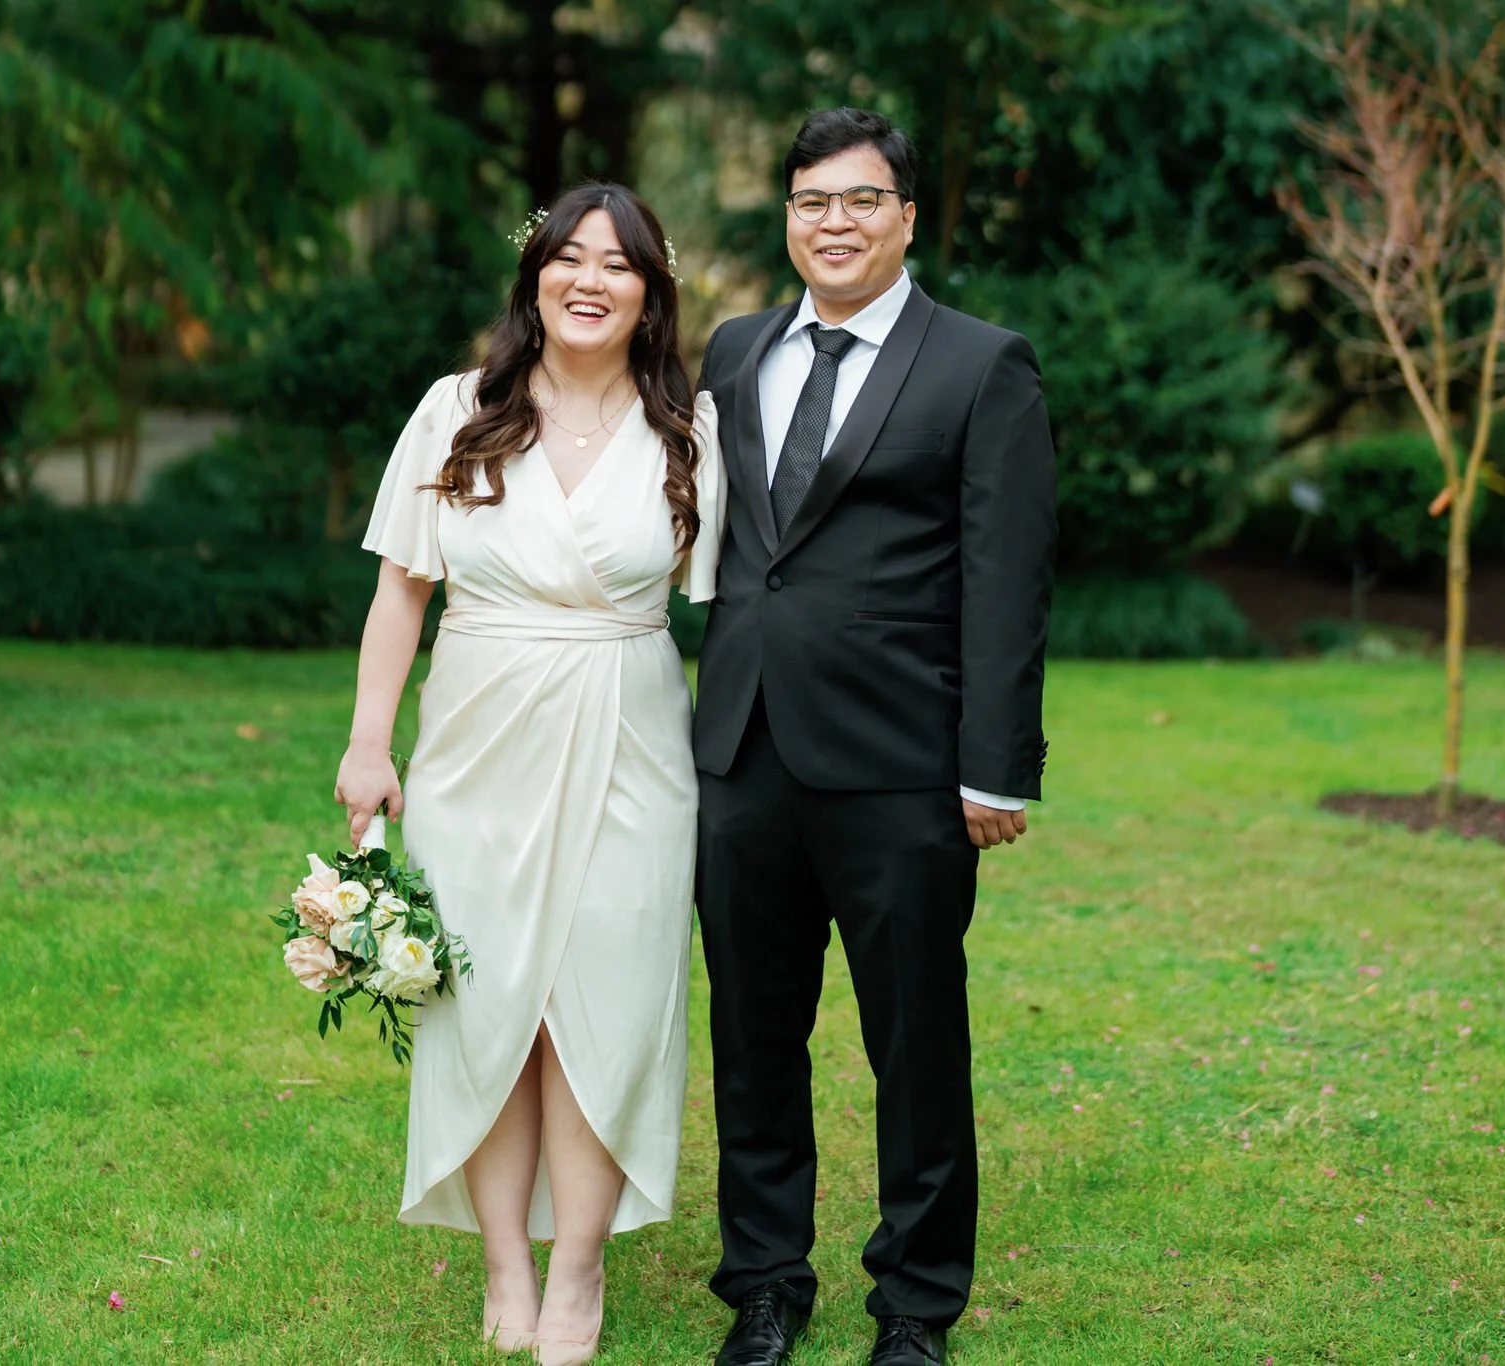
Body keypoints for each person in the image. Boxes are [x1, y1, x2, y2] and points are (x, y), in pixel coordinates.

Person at [335, 182, 723, 1366]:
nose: (589, 281)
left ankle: (579, 1273)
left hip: (632, 748)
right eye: (569, 259)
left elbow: (748, 607)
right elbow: (402, 585)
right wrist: (367, 741)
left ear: (650, 294)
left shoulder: (690, 434)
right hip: (476, 745)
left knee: (598, 1011)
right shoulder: (458, 410)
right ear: (536, 277)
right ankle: (504, 1258)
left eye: (618, 265)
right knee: (489, 1006)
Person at [693, 108, 1058, 1366]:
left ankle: (913, 1303)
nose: (830, 223)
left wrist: (994, 765)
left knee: (914, 1043)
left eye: (857, 201)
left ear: (906, 215)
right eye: (808, 201)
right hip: (739, 752)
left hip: (902, 768)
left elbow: (1007, 576)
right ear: (784, 216)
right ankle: (762, 1282)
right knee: (749, 1036)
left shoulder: (978, 363)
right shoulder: (734, 353)